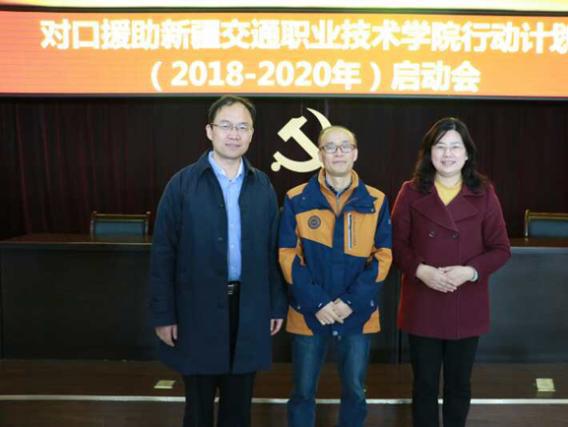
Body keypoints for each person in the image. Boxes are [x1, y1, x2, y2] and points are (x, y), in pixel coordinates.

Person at [149, 95, 287, 427]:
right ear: (210, 131)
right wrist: (164, 314)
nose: (234, 134)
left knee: (238, 407)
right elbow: (163, 254)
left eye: (242, 127)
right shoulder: (182, 184)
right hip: (196, 308)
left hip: (249, 307)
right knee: (198, 408)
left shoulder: (262, 186)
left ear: (252, 134)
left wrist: (275, 305)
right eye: (226, 126)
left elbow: (273, 252)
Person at [391, 117, 511, 427]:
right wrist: (420, 270)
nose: (447, 154)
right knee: (424, 385)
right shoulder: (410, 191)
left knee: (459, 385)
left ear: (467, 153)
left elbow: (501, 248)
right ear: (429, 152)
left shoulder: (484, 193)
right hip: (423, 300)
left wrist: (470, 272)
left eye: (455, 147)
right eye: (440, 146)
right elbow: (396, 245)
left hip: (465, 301)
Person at [278, 125, 392, 427]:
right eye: (330, 147)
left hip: (357, 313)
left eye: (345, 146)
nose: (338, 152)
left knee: (355, 391)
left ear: (355, 153)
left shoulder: (377, 200)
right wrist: (318, 302)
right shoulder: (296, 198)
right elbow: (287, 255)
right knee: (302, 391)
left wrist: (350, 302)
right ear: (320, 154)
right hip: (308, 312)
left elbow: (383, 256)